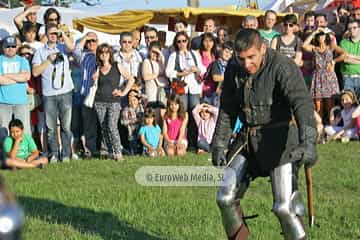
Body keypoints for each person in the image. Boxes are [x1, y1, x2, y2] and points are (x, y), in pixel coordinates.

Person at [211, 29, 317, 240]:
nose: (247, 64)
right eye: (241, 59)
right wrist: (219, 143)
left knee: (284, 208)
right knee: (225, 197)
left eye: (252, 57)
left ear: (263, 48)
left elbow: (302, 103)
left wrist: (309, 142)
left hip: (281, 139)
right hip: (248, 137)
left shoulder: (282, 66)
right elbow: (227, 109)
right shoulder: (234, 68)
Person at [32, 23, 74, 163]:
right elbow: (35, 72)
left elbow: (72, 47)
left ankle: (67, 154)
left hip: (66, 92)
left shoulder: (62, 47)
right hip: (49, 94)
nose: (54, 36)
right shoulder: (40, 52)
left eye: (56, 33)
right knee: (50, 128)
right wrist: (49, 60)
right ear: (46, 35)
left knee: (66, 126)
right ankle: (54, 154)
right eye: (51, 33)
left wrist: (63, 33)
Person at [93, 43, 135, 161]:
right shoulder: (97, 68)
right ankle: (111, 152)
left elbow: (131, 79)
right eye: (101, 52)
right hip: (99, 101)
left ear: (110, 54)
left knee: (112, 126)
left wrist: (123, 92)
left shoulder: (117, 66)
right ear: (99, 55)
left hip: (114, 102)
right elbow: (94, 87)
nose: (104, 54)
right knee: (104, 128)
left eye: (107, 52)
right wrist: (94, 79)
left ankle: (118, 152)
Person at [303, 27, 346, 123]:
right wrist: (314, 32)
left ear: (325, 35)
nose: (320, 37)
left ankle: (330, 127)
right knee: (318, 106)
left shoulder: (331, 46)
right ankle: (320, 127)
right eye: (319, 35)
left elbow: (344, 54)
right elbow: (304, 45)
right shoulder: (314, 48)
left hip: (329, 77)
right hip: (317, 77)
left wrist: (333, 61)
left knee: (329, 104)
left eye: (322, 34)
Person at [0, 36, 31, 159]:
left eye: (13, 46)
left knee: (25, 130)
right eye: (8, 46)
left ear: (17, 47)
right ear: (3, 47)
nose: (10, 49)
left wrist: (7, 75)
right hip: (3, 101)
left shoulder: (23, 61)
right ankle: (5, 157)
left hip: (21, 101)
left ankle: (26, 156)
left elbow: (26, 77)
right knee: (3, 131)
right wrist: (18, 77)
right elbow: (1, 80)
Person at [141, 41, 168, 105]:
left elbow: (167, 73)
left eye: (156, 52)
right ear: (149, 51)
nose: (154, 54)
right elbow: (145, 77)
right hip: (151, 92)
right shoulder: (146, 61)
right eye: (153, 51)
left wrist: (160, 55)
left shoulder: (161, 61)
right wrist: (158, 74)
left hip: (162, 91)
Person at [121, 90, 144, 155]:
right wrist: (134, 121)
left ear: (138, 100)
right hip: (131, 131)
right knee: (132, 138)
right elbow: (123, 122)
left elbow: (145, 98)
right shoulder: (126, 109)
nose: (132, 102)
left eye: (134, 100)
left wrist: (138, 95)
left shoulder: (141, 108)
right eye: (130, 101)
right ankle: (132, 152)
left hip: (141, 130)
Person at [341, 19, 360, 99]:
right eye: (350, 29)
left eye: (354, 27)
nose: (352, 30)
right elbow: (344, 59)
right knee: (348, 104)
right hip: (347, 78)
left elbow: (347, 57)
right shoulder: (343, 42)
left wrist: (349, 55)